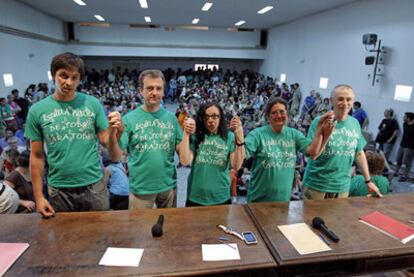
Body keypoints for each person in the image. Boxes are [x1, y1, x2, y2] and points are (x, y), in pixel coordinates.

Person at [25, 52, 111, 218]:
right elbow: (36, 156)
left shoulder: (92, 103)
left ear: (80, 79)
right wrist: (39, 197)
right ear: (53, 75)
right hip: (59, 190)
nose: (68, 82)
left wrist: (116, 130)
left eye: (74, 77)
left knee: (101, 237)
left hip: (93, 186)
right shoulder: (37, 110)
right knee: (63, 240)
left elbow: (105, 140)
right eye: (63, 76)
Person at [108, 69, 184, 209]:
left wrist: (188, 134)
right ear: (141, 91)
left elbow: (183, 156)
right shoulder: (129, 119)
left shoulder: (172, 119)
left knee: (168, 227)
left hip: (168, 186)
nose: (154, 92)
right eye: (149, 88)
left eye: (158, 88)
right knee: (139, 229)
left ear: (163, 91)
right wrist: (113, 133)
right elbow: (115, 156)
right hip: (140, 189)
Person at [244, 98, 335, 203]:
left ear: (287, 114)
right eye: (274, 113)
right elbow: (242, 154)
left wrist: (321, 130)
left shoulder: (294, 134)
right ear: (268, 117)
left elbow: (312, 152)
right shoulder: (257, 134)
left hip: (283, 200)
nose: (279, 116)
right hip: (259, 200)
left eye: (282, 112)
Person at [302, 84, 382, 200]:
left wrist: (368, 181)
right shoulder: (319, 122)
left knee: (336, 218)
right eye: (340, 99)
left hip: (342, 188)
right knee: (311, 218)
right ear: (331, 101)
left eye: (349, 99)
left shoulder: (354, 123)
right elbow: (313, 155)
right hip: (317, 186)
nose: (345, 103)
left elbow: (359, 153)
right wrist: (326, 133)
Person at [179, 102, 245, 206]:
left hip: (220, 197)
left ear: (221, 118)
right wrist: (186, 134)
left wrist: (240, 136)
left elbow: (236, 165)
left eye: (214, 116)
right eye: (206, 117)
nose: (210, 120)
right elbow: (184, 161)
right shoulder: (197, 135)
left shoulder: (229, 137)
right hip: (195, 196)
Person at [395, 112, 414, 182]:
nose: (403, 118)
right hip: (402, 145)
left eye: (405, 117)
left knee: (406, 162)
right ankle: (396, 172)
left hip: (410, 147)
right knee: (398, 159)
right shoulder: (404, 124)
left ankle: (404, 176)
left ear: (408, 118)